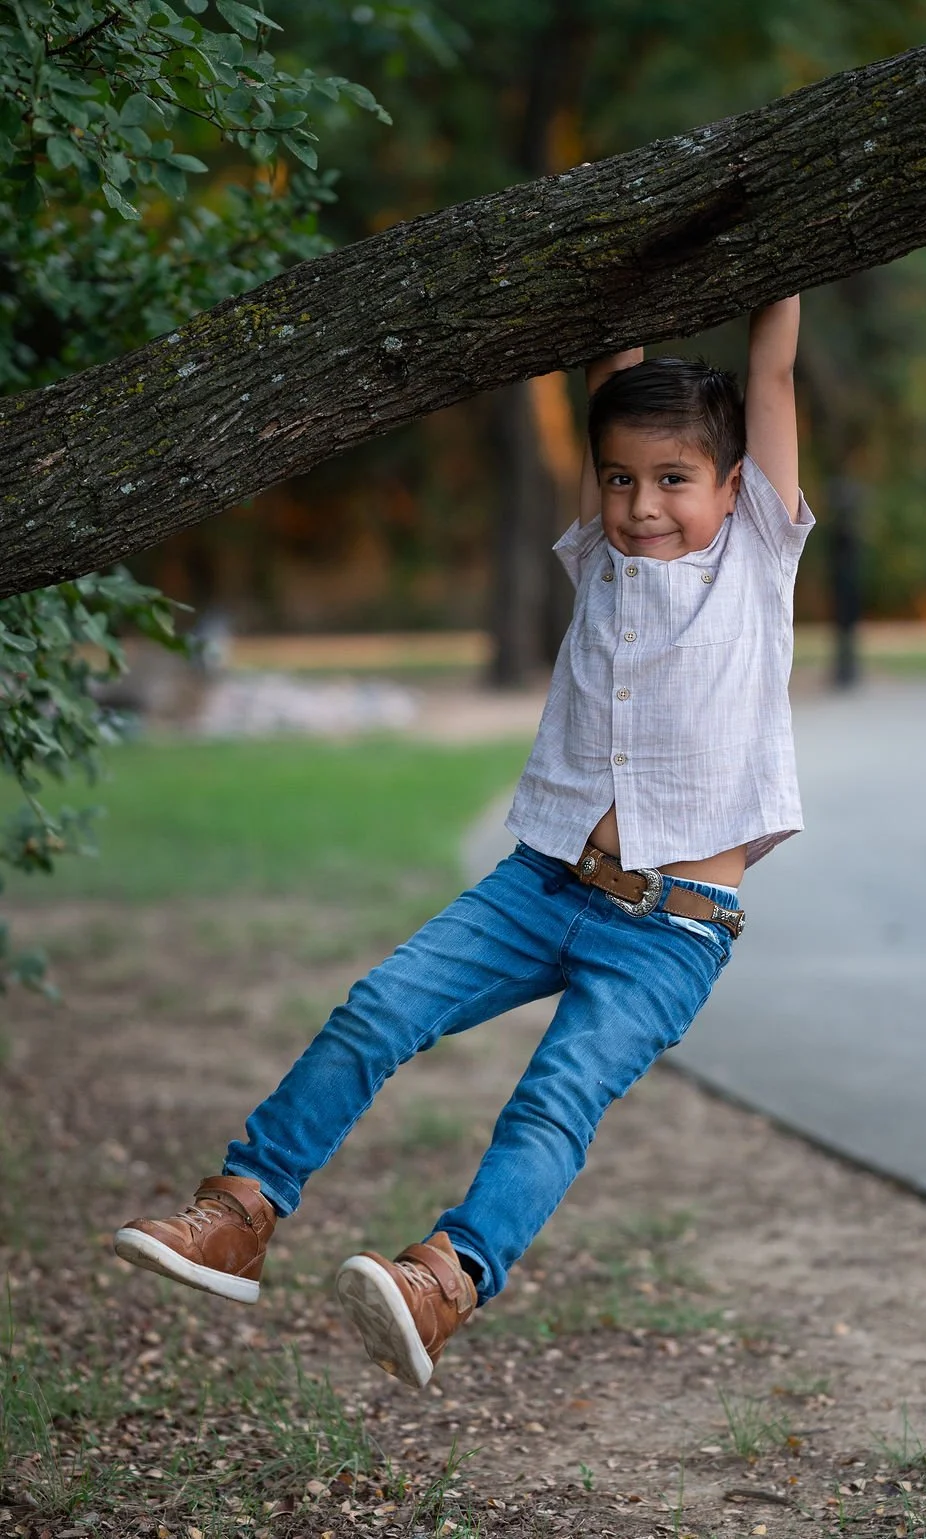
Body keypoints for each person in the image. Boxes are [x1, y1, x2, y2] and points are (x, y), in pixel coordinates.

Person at [114, 296, 813, 1390]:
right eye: (621, 479)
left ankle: (445, 1279)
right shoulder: (601, 557)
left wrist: (779, 254)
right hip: (539, 883)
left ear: (733, 488)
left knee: (555, 1099)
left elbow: (771, 375)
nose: (642, 506)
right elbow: (603, 368)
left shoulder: (758, 560)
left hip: (671, 930)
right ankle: (240, 1211)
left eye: (675, 480)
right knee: (378, 1008)